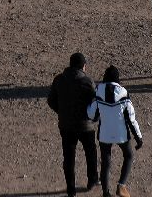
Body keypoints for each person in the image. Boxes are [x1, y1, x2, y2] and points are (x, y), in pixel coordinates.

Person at [46, 52, 98, 197]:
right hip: (85, 126)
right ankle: (92, 180)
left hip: (66, 125)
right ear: (83, 66)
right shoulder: (88, 82)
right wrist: (93, 118)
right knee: (90, 152)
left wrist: (61, 112)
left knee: (68, 156)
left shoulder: (59, 80)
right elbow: (95, 103)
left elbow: (51, 101)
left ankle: (71, 189)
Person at [87, 66, 143, 197]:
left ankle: (106, 193)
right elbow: (131, 119)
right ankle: (121, 186)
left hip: (104, 134)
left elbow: (92, 115)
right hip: (121, 134)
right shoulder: (123, 93)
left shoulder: (98, 91)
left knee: (106, 162)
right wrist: (138, 137)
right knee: (128, 155)